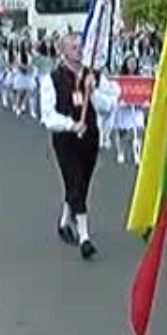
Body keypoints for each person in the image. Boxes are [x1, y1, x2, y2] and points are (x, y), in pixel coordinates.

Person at [39, 32, 118, 261]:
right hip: (66, 140)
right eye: (73, 47)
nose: (79, 50)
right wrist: (72, 125)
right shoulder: (52, 79)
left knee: (80, 184)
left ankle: (64, 222)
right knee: (74, 180)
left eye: (80, 46)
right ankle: (84, 238)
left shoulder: (93, 76)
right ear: (63, 51)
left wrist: (92, 94)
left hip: (90, 138)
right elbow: (48, 116)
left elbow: (110, 105)